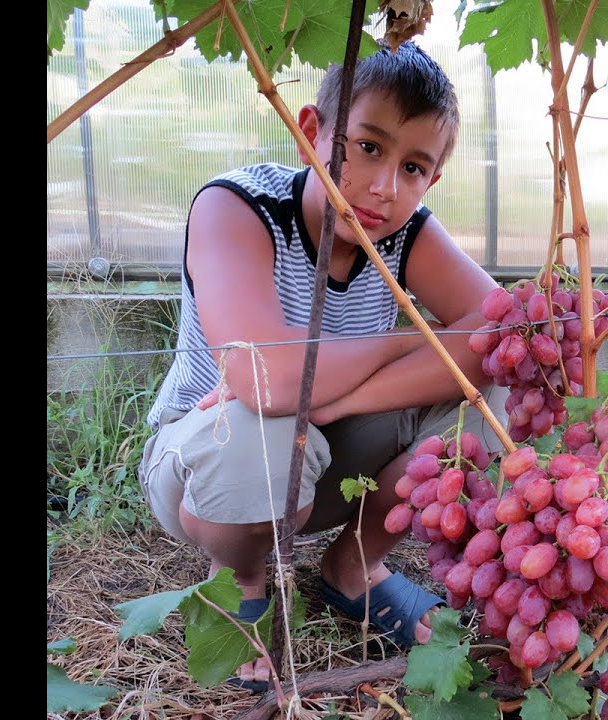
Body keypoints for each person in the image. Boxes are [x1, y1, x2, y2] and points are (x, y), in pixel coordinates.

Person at [137, 40, 505, 691]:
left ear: (432, 180)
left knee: (490, 398)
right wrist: (410, 341)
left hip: (323, 448)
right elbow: (266, 378)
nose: (384, 187)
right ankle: (243, 581)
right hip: (203, 458)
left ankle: (353, 570)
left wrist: (328, 401)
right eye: (367, 147)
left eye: (414, 166)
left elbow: (497, 336)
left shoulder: (408, 231)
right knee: (261, 427)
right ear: (313, 131)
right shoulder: (236, 207)